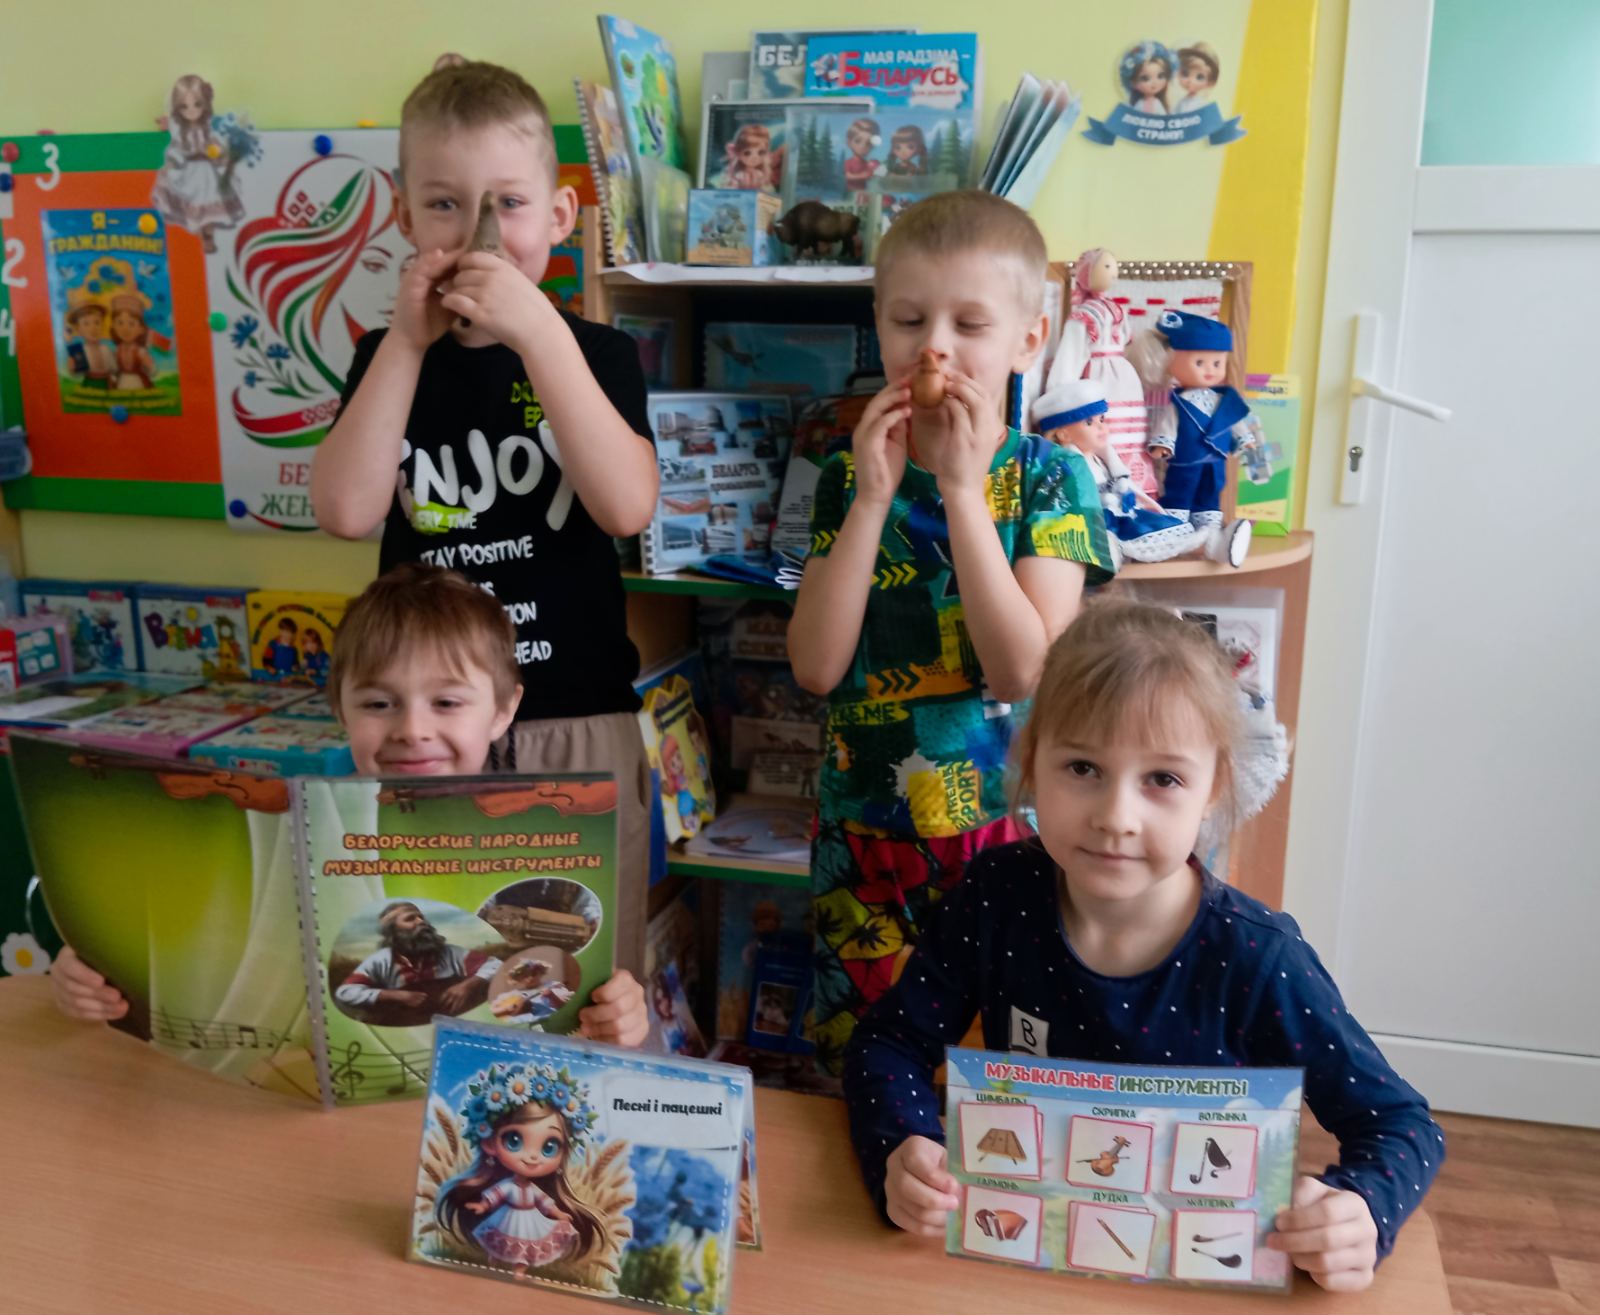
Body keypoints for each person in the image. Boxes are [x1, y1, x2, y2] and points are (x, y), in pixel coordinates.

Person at [843, 602, 1444, 1293]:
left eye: (1163, 778)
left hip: (1196, 1278)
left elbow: (1401, 1123)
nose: (1116, 817)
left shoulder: (1259, 957)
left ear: (1213, 787)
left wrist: (1362, 1209)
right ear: (1033, 761)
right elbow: (889, 1042)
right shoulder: (996, 895)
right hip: (1026, 1259)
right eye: (1082, 767)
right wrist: (902, 1143)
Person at [308, 61, 659, 978]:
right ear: (403, 214)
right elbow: (345, 509)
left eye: (508, 203)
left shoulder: (598, 353)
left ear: (560, 214)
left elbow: (626, 506)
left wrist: (538, 333)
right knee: (433, 966)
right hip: (425, 732)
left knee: (573, 975)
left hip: (573, 715)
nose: (480, 235)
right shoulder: (386, 357)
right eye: (444, 205)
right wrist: (405, 343)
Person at [49, 563, 649, 1048]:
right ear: (340, 707)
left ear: (503, 710)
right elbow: (201, 943)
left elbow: (562, 999)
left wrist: (617, 1013)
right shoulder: (296, 825)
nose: (412, 730)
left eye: (446, 702)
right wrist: (89, 974)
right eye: (379, 704)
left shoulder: (546, 841)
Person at [788, 190, 1115, 1075]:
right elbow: (815, 666)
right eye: (909, 319)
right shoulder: (839, 475)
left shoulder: (1053, 478)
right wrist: (870, 500)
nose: (934, 346)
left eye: (969, 323)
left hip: (1012, 837)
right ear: (879, 326)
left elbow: (1022, 669)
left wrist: (965, 495)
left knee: (1010, 1072)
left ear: (1028, 339)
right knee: (865, 1066)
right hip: (865, 832)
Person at [436, 1058, 609, 1278]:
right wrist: (482, 1205)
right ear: (489, 1143)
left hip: (529, 1221)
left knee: (524, 1249)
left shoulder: (533, 1190)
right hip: (507, 1218)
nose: (533, 1156)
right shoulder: (508, 1186)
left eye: (549, 1147)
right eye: (514, 1141)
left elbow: (546, 1204)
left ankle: (520, 1270)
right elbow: (495, 1196)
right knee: (499, 1244)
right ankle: (493, 1261)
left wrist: (559, 1213)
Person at [335, 900, 500, 1022]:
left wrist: (468, 985)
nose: (421, 922)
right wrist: (392, 995)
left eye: (421, 917)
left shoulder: (449, 952)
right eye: (410, 919)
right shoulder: (381, 960)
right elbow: (345, 992)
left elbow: (496, 965)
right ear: (394, 930)